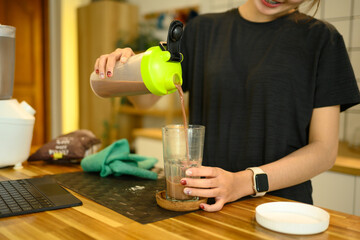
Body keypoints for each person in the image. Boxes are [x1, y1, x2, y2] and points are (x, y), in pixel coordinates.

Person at [94, 0, 360, 212]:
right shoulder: (201, 31)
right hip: (203, 204)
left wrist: (243, 182)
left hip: (282, 208)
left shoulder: (322, 40)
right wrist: (127, 69)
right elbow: (143, 101)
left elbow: (324, 150)